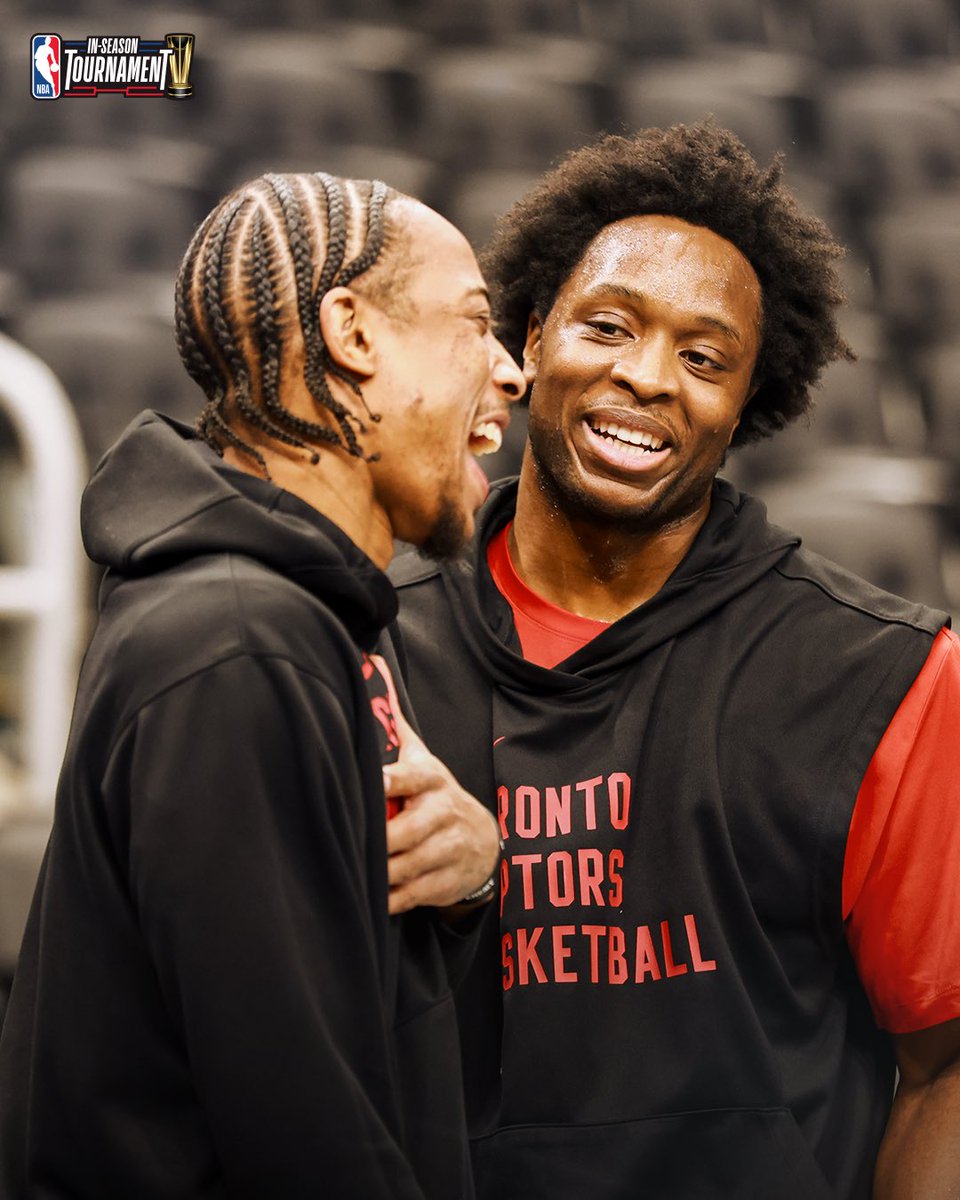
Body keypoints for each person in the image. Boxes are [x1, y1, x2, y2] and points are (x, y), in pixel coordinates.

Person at [388, 123, 960, 1199]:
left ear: (750, 401)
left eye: (705, 358)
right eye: (608, 325)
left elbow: (947, 1065)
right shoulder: (367, 642)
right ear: (530, 334)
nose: (648, 376)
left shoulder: (885, 680)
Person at [0, 171, 524, 1198]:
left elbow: (361, 1017)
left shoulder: (318, 616)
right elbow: (301, 1137)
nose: (510, 372)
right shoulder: (239, 643)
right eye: (473, 324)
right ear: (354, 334)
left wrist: (470, 883)